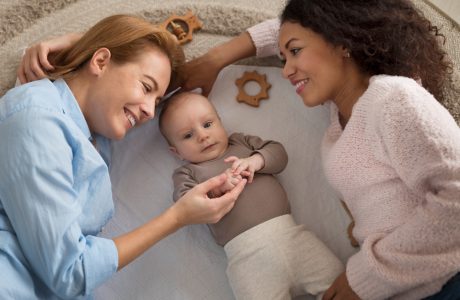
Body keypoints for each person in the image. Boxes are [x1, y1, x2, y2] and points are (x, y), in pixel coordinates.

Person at [15, 0, 460, 299]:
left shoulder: (390, 99)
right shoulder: (339, 118)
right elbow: (288, 31)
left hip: (429, 281)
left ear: (343, 40)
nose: (285, 69)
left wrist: (363, 277)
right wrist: (216, 57)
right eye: (283, 55)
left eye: (294, 53)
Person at [0, 14, 246, 299]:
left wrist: (79, 45)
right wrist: (177, 217)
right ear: (101, 62)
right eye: (146, 87)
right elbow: (70, 273)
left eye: (156, 101)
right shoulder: (36, 121)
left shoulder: (94, 135)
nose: (150, 111)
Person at [158, 91, 344, 300]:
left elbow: (279, 153)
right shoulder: (187, 173)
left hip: (294, 238)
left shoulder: (241, 144)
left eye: (208, 124)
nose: (203, 136)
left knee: (339, 282)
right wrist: (217, 188)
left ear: (220, 121)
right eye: (188, 135)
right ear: (176, 152)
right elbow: (185, 205)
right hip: (247, 258)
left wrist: (256, 161)